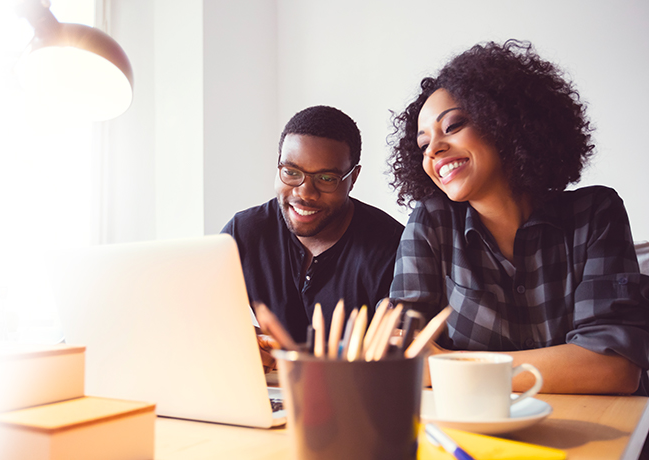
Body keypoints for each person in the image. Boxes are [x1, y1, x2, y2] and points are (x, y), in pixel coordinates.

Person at [388, 40, 649, 394]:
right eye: (423, 145)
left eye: (452, 126)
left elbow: (614, 368)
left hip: (598, 425)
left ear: (504, 121)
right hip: (475, 424)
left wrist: (448, 366)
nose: (433, 149)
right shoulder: (431, 223)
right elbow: (403, 360)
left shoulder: (596, 213)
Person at [223, 106, 404, 369]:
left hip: (355, 390)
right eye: (291, 172)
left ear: (353, 178)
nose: (305, 193)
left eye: (326, 178)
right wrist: (239, 340)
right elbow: (198, 317)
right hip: (267, 389)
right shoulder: (243, 233)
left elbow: (400, 357)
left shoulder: (393, 247)